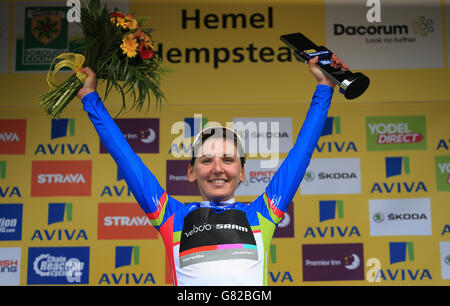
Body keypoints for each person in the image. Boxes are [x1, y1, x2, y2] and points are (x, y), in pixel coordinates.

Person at [77, 54, 348, 286]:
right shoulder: (170, 216)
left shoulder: (263, 213)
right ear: (191, 172)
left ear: (243, 172)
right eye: (206, 160)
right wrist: (89, 97)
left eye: (228, 159)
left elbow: (301, 153)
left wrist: (325, 87)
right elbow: (125, 157)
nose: (217, 168)